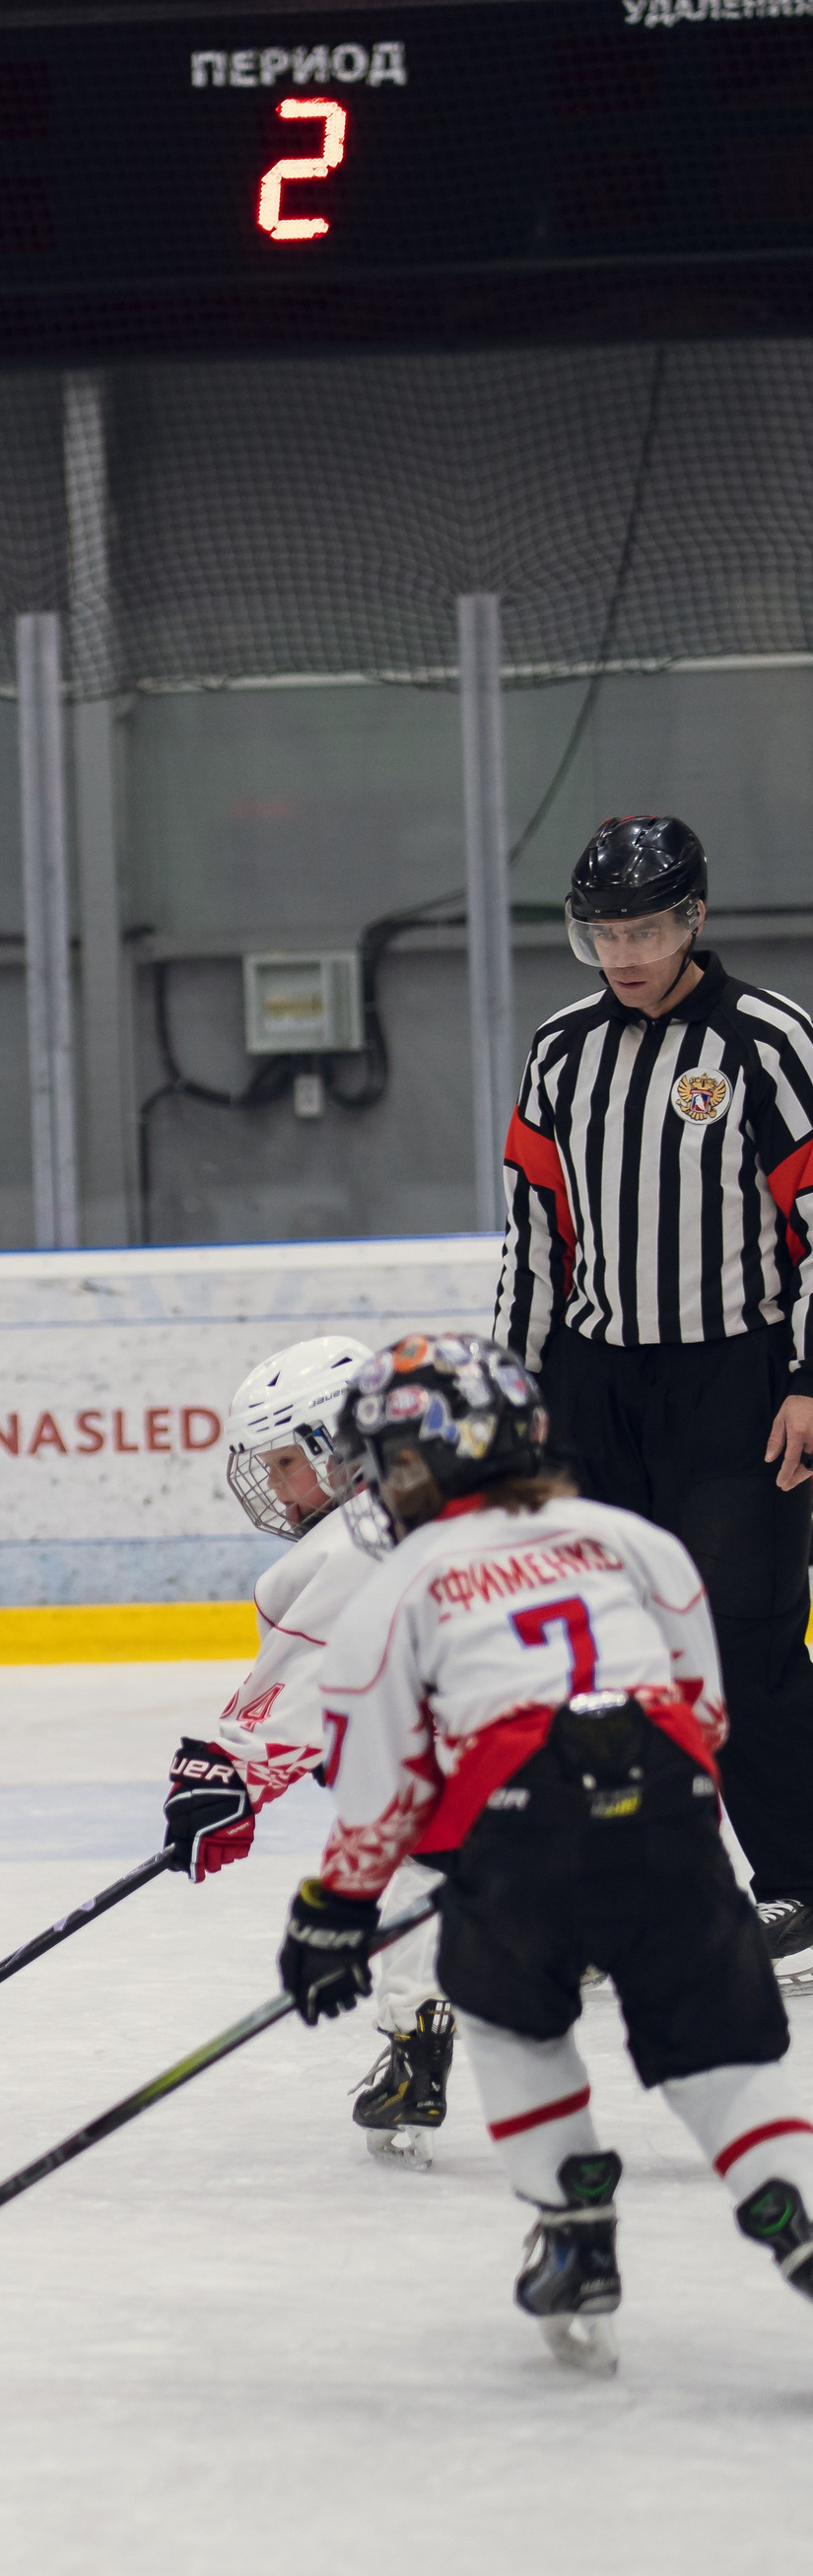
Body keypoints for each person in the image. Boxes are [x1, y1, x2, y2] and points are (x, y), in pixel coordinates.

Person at [276, 1333, 813, 2372]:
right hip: (664, 1815)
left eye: (387, 1460)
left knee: (509, 2018)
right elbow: (702, 1707)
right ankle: (791, 2206)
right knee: (709, 2046)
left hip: (519, 1832)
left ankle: (572, 2236)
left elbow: (376, 1791)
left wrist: (329, 1917)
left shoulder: (395, 1586)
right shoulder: (628, 1536)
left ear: (424, 1462)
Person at [497, 814, 813, 1980]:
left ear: (694, 920)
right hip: (593, 1382)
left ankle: (798, 1881)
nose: (621, 951)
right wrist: (512, 1388)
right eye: (601, 931)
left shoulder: (767, 1042)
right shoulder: (559, 1050)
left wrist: (808, 1378)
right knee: (586, 1649)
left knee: (742, 1637)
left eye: (644, 927)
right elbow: (536, 1234)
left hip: (735, 1384)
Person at [164, 1334, 456, 2160]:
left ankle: (415, 2040)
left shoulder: (350, 1543)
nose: (274, 1487)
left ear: (335, 1444)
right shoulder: (458, 1485)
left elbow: (300, 1695)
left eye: (285, 1462)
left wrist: (226, 1779)